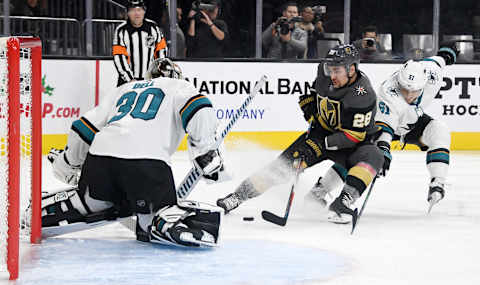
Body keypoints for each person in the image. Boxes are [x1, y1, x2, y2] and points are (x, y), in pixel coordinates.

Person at [42, 58, 224, 247]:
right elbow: (199, 106)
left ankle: (58, 208)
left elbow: (83, 127)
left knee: (94, 202)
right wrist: (205, 152)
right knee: (152, 222)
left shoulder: (125, 88)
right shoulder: (180, 86)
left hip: (100, 160)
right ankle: (159, 221)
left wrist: (67, 163)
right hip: (147, 164)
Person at [216, 44, 384, 224]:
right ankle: (238, 196)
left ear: (351, 69)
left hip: (352, 145)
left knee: (374, 156)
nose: (332, 76)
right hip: (320, 134)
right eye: (330, 69)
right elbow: (316, 92)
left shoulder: (363, 94)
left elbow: (354, 136)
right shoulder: (324, 73)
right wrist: (311, 106)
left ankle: (342, 203)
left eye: (337, 71)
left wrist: (321, 144)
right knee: (280, 169)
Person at [304, 42, 460, 213]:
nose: (408, 95)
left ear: (424, 84)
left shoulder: (432, 74)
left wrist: (447, 54)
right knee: (359, 155)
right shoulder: (389, 92)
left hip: (411, 122)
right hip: (380, 123)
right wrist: (384, 150)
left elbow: (438, 60)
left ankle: (437, 183)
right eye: (404, 90)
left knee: (439, 130)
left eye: (413, 91)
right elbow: (385, 128)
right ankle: (321, 190)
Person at [112, 0, 168, 87]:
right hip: (127, 82)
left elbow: (161, 52)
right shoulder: (121, 30)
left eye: (139, 10)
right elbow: (119, 56)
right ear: (128, 13)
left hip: (149, 81)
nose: (136, 13)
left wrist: (158, 74)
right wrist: (130, 79)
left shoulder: (153, 28)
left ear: (144, 11)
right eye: (133, 10)